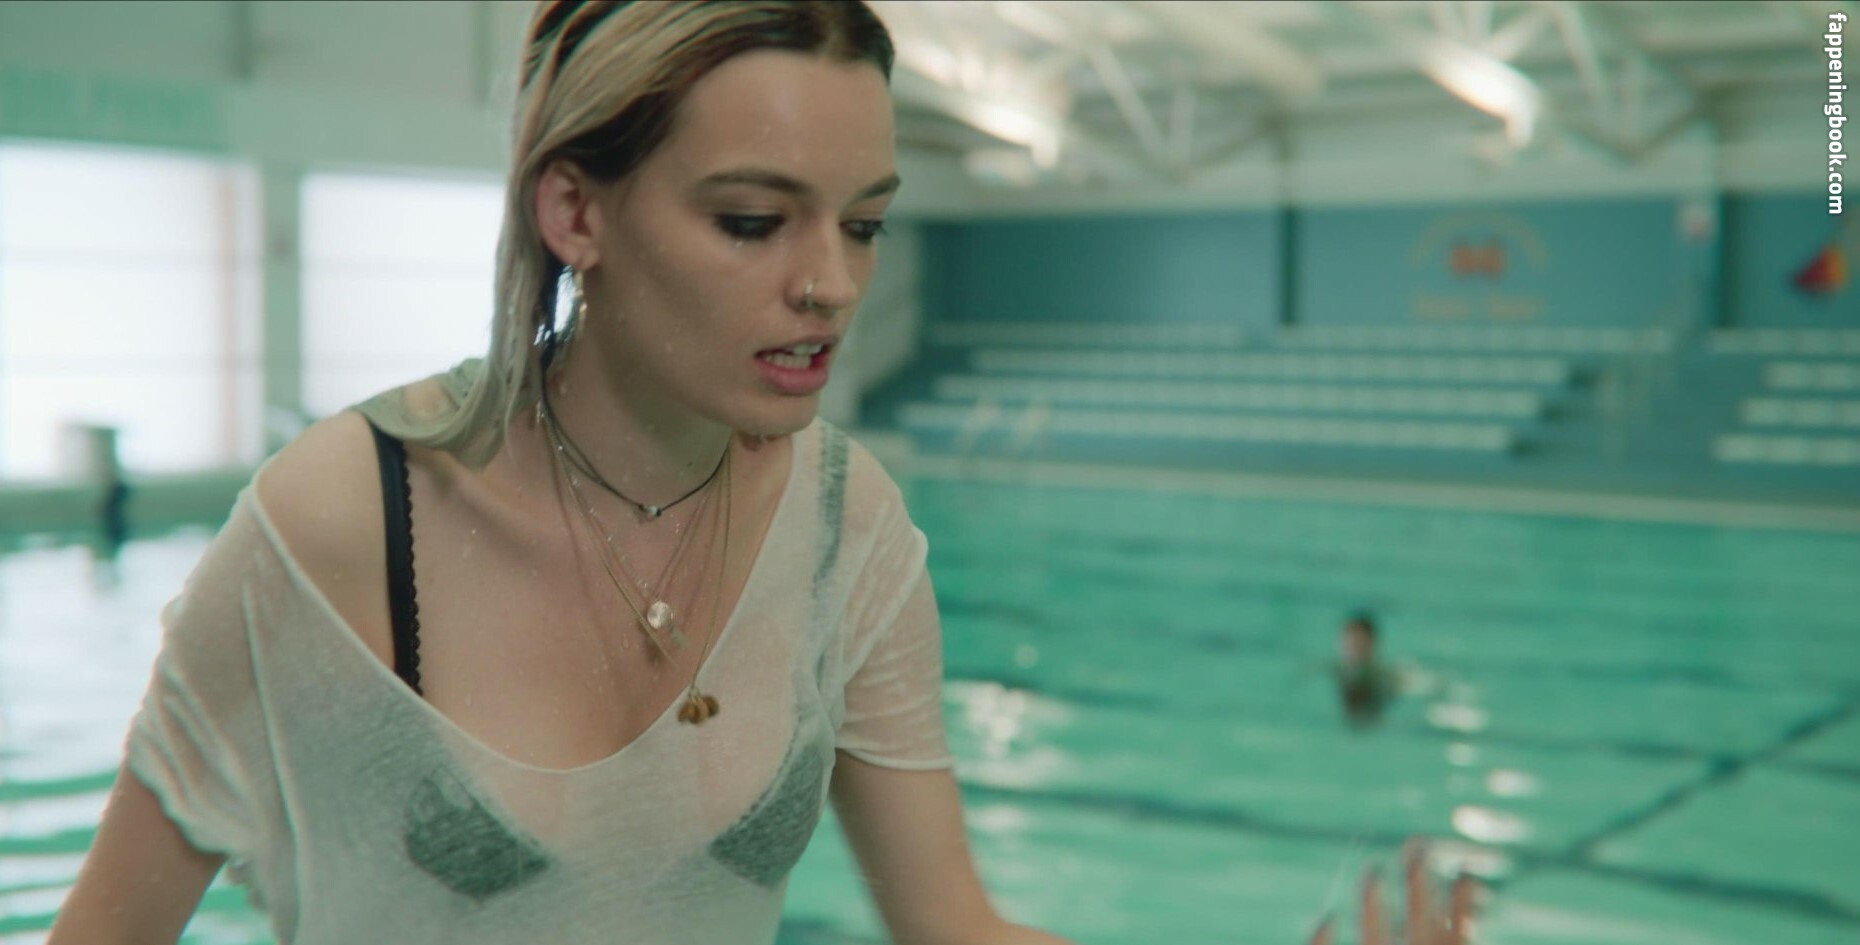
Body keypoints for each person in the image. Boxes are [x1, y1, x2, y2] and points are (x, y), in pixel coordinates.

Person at [47, 3, 1474, 943]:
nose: (829, 285)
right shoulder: (343, 520)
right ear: (576, 210)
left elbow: (951, 925)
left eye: (864, 225)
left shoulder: (851, 530)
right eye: (752, 221)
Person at [1333, 611, 1400, 727]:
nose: (1353, 649)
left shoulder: (1387, 674)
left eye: (1358, 643)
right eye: (1350, 643)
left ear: (1372, 644)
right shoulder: (1334, 670)